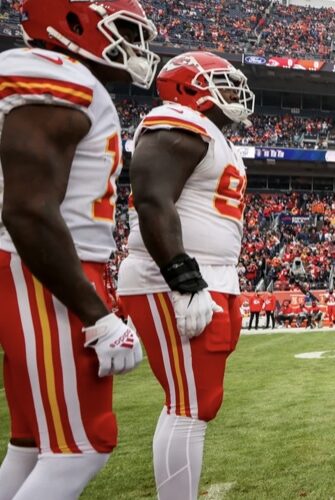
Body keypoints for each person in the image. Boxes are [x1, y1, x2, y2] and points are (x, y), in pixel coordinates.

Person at [0, 1, 156, 497]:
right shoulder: (56, 77)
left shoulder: (45, 75)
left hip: (32, 267)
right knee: (81, 446)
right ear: (71, 21)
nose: (135, 46)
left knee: (30, 446)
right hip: (41, 272)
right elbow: (27, 211)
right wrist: (99, 316)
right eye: (124, 30)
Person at [117, 51, 254, 500]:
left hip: (210, 275)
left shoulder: (214, 136)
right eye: (222, 82)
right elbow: (153, 198)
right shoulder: (176, 119)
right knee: (188, 406)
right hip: (175, 279)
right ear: (191, 86)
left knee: (197, 404)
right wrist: (183, 276)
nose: (234, 92)